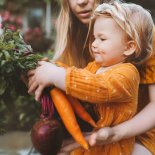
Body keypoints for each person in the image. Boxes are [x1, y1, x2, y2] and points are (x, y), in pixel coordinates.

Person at [27, 1, 154, 155]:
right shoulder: (98, 64)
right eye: (94, 38)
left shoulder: (127, 73)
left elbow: (98, 87)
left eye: (102, 39)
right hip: (96, 137)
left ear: (129, 47)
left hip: (117, 146)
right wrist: (53, 67)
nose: (94, 44)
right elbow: (81, 74)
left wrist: (56, 75)